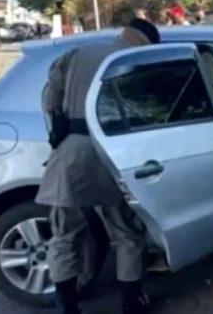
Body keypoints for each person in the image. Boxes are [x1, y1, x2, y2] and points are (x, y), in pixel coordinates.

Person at [36, 18, 161, 314]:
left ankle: (67, 306)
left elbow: (49, 99)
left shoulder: (77, 54)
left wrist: (58, 129)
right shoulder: (136, 62)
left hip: (72, 152)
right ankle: (131, 303)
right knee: (126, 233)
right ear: (146, 42)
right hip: (115, 152)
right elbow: (147, 110)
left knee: (65, 235)